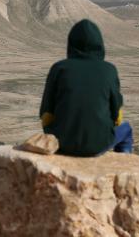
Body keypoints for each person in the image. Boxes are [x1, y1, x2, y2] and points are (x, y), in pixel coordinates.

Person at [39, 19, 133, 156]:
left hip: (62, 144)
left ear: (71, 44)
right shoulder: (109, 70)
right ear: (99, 44)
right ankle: (123, 164)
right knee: (126, 129)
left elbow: (46, 114)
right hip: (99, 144)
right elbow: (117, 115)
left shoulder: (59, 68)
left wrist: (55, 133)